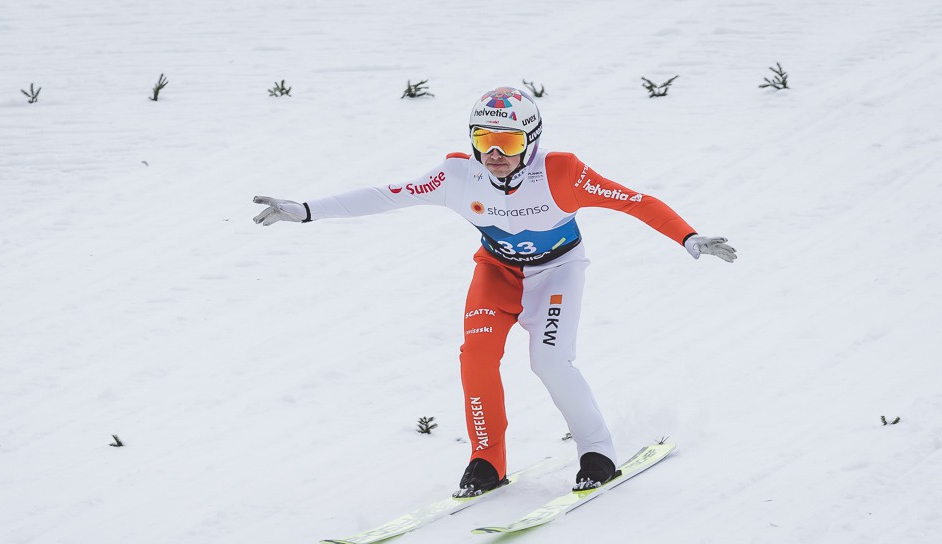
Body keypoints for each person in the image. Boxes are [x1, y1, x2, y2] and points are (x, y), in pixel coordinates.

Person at [253, 86, 736, 497]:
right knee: (477, 358)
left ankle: (597, 452)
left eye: (508, 141)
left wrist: (687, 236)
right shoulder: (457, 175)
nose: (495, 154)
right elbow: (387, 196)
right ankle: (487, 460)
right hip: (497, 273)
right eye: (484, 139)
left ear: (532, 140)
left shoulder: (562, 173)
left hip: (557, 274)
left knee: (549, 362)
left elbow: (634, 201)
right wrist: (306, 210)